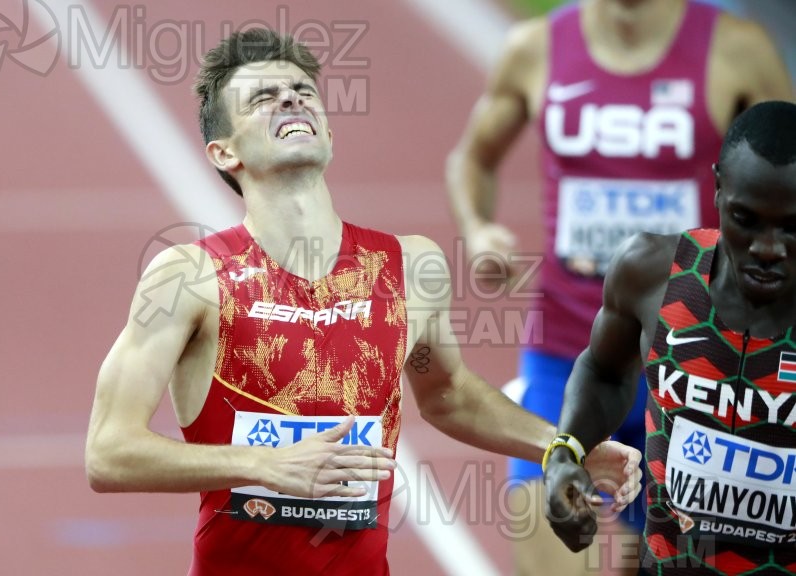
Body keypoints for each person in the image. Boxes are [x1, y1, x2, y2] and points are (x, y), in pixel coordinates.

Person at [84, 28, 642, 576]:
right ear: (224, 152)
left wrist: (560, 447)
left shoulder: (410, 267)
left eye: (303, 92)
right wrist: (265, 465)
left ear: (326, 128)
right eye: (262, 97)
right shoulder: (189, 277)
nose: (290, 99)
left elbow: (448, 393)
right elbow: (108, 451)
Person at [446, 1, 791, 573]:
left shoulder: (737, 50)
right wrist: (479, 228)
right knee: (548, 544)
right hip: (566, 353)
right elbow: (472, 158)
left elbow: (785, 170)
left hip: (695, 365)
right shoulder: (536, 49)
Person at [544, 99, 796, 575]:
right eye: (746, 219)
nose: (768, 248)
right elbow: (602, 370)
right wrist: (566, 452)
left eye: (793, 227)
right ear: (718, 188)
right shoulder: (651, 273)